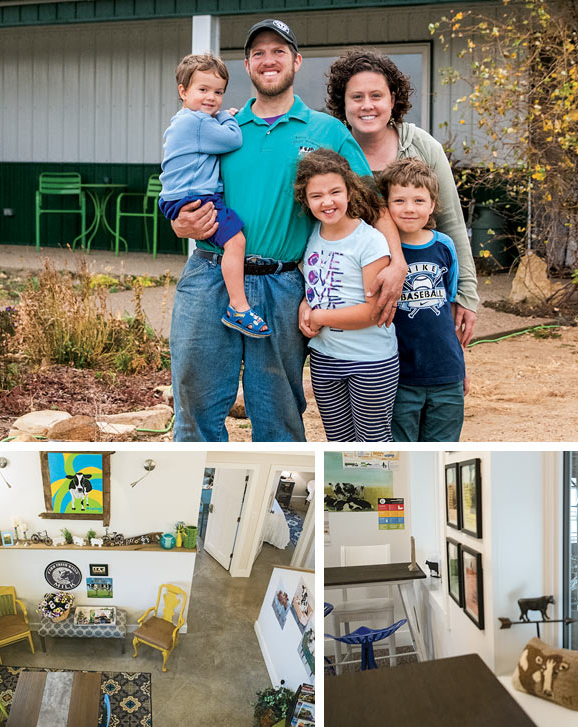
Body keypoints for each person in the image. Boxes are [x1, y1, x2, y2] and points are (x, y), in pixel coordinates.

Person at [168, 19, 406, 441]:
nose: (268, 59)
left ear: (296, 61)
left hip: (282, 284)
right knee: (195, 404)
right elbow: (179, 180)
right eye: (258, 52)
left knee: (278, 413)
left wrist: (398, 260)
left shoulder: (326, 131)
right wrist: (177, 221)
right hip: (211, 274)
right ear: (247, 65)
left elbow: (371, 201)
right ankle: (199, 503)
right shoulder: (222, 127)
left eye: (279, 50)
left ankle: (283, 509)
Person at [326, 48, 479, 346]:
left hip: (420, 294)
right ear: (342, 102)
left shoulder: (423, 146)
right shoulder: (332, 153)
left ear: (393, 100)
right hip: (356, 298)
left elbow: (453, 223)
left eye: (377, 96)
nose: (367, 106)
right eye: (356, 97)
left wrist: (466, 295)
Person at [158, 53, 271, 339]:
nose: (211, 98)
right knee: (236, 241)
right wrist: (225, 116)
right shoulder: (197, 123)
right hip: (196, 197)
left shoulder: (182, 121)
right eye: (203, 90)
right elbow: (233, 139)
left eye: (218, 92)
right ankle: (238, 306)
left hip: (179, 196)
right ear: (183, 92)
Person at [296, 149, 398, 442]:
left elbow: (373, 311)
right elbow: (317, 285)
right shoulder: (314, 235)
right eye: (316, 196)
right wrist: (306, 304)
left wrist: (319, 316)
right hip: (325, 358)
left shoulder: (370, 242)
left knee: (372, 441)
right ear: (305, 200)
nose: (327, 202)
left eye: (335, 192)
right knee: (338, 442)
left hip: (370, 362)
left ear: (350, 192)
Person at [378, 158, 466, 441]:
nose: (409, 208)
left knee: (443, 445)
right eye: (399, 200)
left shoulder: (444, 246)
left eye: (418, 200)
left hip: (446, 373)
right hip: (399, 375)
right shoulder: (379, 249)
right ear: (386, 205)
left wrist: (460, 367)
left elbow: (448, 310)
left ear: (432, 205)